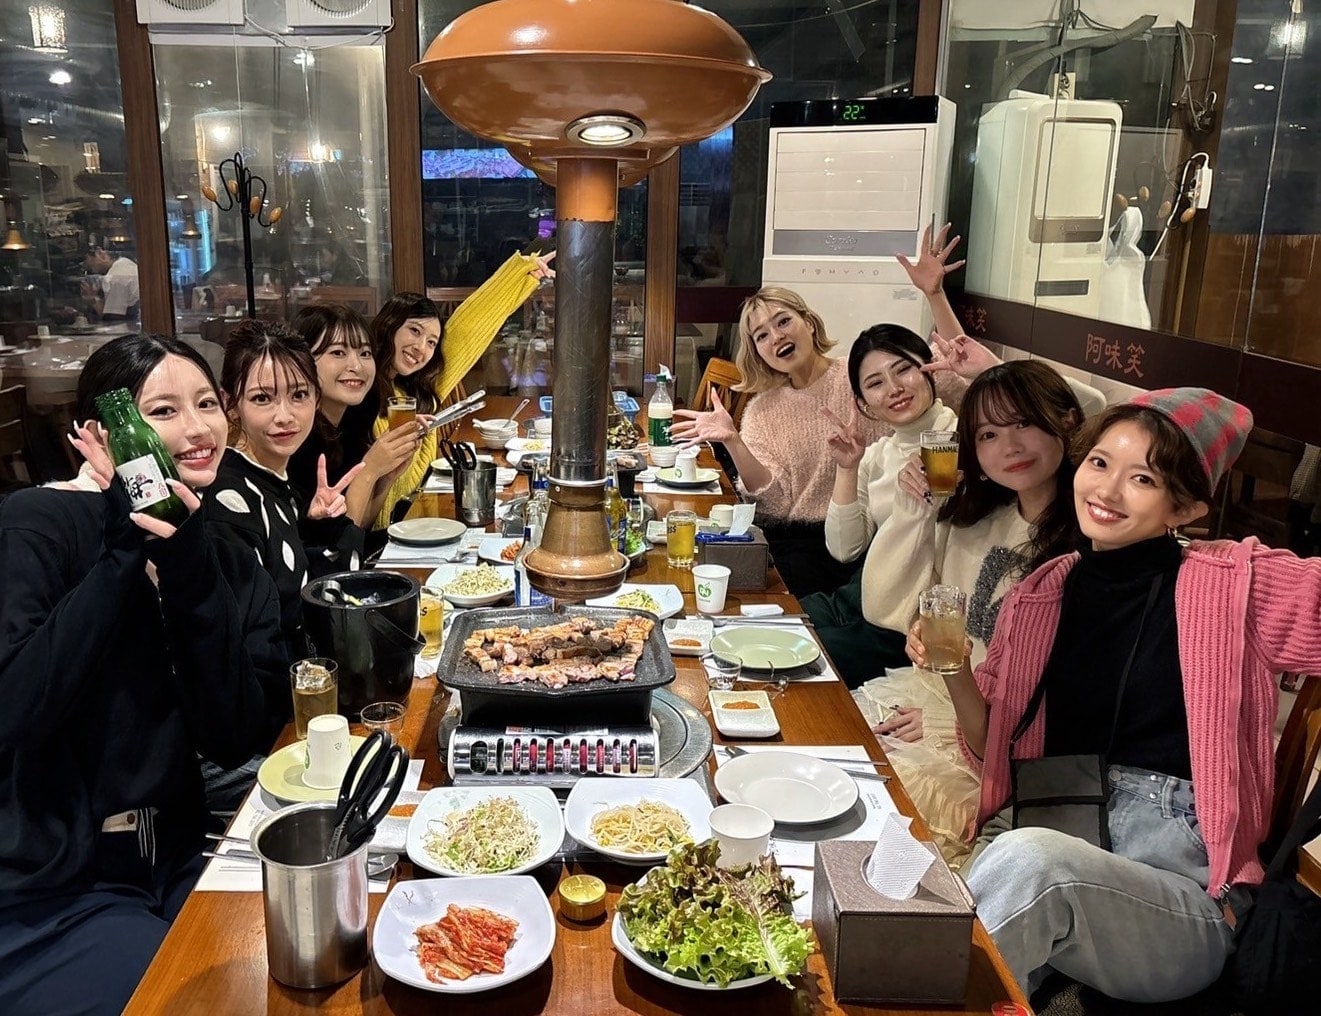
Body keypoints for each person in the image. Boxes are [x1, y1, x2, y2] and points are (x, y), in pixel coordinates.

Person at [927, 387, 1321, 1003]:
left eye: (1142, 478)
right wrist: (951, 666)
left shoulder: (1233, 585)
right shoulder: (1039, 595)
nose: (1107, 491)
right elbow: (989, 751)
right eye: (1100, 462)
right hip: (1049, 837)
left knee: (1030, 867)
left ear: (1184, 507)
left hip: (1178, 894)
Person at [0, 334, 287, 1016]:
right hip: (50, 890)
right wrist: (123, 551)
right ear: (102, 434)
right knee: (205, 1004)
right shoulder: (39, 523)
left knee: (304, 957)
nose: (197, 429)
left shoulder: (220, 553)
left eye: (207, 405)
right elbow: (14, 708)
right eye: (162, 411)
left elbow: (234, 734)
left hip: (176, 857)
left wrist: (187, 569)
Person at [851, 360, 1091, 863]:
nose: (1010, 446)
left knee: (878, 815)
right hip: (928, 697)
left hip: (996, 746)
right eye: (988, 434)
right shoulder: (974, 518)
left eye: (1024, 422)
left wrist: (949, 722)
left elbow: (1053, 696)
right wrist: (914, 509)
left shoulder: (1085, 545)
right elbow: (886, 604)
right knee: (835, 747)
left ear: (1066, 421)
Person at [670, 286, 964, 597]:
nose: (777, 337)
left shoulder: (862, 374)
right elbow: (775, 502)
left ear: (809, 323)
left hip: (864, 537)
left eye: (783, 321)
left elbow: (952, 374)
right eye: (762, 336)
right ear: (757, 351)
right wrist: (733, 441)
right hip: (792, 541)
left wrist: (935, 294)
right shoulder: (761, 410)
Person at [349, 249, 554, 530]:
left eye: (431, 343)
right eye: (414, 331)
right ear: (390, 325)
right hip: (380, 534)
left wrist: (520, 275)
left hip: (410, 520)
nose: (421, 348)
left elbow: (465, 332)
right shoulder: (360, 391)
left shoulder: (419, 390)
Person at [800, 324, 959, 683]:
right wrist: (847, 468)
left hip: (908, 623)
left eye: (903, 369)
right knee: (773, 623)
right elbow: (844, 550)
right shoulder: (878, 455)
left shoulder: (957, 442)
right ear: (863, 403)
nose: (894, 388)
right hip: (862, 598)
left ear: (930, 368)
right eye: (875, 383)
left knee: (802, 662)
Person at [206, 319, 363, 659]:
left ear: (316, 398)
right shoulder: (228, 500)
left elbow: (293, 581)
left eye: (299, 395)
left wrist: (315, 525)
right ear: (231, 405)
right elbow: (251, 642)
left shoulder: (272, 481)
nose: (285, 415)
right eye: (262, 398)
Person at [287, 303, 418, 529]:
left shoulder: (353, 419)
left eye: (365, 353)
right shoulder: (294, 436)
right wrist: (369, 469)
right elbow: (340, 540)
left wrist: (386, 477)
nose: (357, 366)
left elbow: (361, 526)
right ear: (302, 361)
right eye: (338, 352)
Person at [83, 246, 140, 322]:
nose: (87, 266)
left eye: (87, 259)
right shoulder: (125, 262)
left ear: (100, 254)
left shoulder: (115, 277)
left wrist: (92, 298)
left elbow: (113, 319)